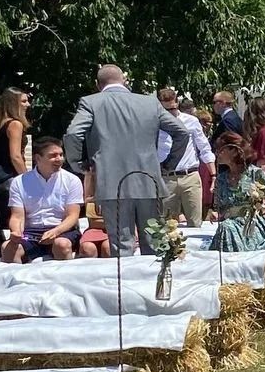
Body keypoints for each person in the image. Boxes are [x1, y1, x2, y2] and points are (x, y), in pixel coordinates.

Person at [61, 64, 193, 256]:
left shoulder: (90, 103)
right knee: (155, 242)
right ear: (125, 81)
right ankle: (156, 284)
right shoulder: (150, 103)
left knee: (122, 245)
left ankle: (127, 285)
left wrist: (79, 164)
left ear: (98, 84)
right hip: (149, 181)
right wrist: (167, 165)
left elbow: (73, 134)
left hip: (111, 184)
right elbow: (181, 132)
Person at [2, 136, 91, 261]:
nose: (59, 159)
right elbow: (17, 216)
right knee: (8, 247)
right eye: (53, 155)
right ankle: (15, 280)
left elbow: (72, 216)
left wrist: (56, 231)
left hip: (62, 230)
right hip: (31, 232)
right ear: (38, 158)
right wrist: (16, 231)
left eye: (61, 155)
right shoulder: (19, 182)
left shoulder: (72, 180)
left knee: (62, 245)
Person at [208, 131, 265, 252]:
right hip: (230, 226)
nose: (216, 154)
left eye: (220, 150)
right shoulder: (221, 179)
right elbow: (223, 210)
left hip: (252, 224)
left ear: (233, 151)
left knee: (227, 227)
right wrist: (217, 215)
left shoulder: (255, 173)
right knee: (226, 227)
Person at [156, 87, 211, 226]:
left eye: (173, 109)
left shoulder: (191, 121)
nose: (171, 113)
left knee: (195, 222)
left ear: (177, 104)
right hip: (167, 177)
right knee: (166, 224)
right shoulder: (155, 123)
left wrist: (213, 175)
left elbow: (204, 147)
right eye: (167, 110)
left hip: (190, 176)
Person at [0, 86, 32, 209]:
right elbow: (16, 156)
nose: (27, 105)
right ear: (13, 104)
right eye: (23, 101)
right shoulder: (15, 124)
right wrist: (28, 178)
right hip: (10, 175)